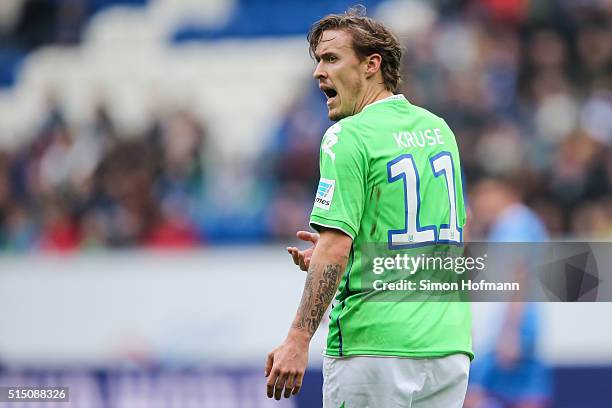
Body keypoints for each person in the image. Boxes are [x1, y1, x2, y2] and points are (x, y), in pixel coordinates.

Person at [265, 8, 472, 407]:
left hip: (374, 348)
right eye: (318, 61)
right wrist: (355, 258)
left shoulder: (347, 137)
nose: (318, 72)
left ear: (371, 65)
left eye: (331, 58)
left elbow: (335, 248)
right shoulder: (440, 130)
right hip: (449, 347)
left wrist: (298, 338)